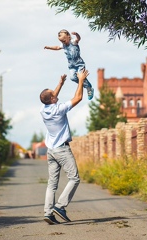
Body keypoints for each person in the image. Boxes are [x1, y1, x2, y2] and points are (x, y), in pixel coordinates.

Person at [39, 69, 89, 225]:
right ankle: (60, 206)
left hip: (51, 151)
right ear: (53, 99)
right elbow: (78, 97)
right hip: (61, 149)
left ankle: (48, 213)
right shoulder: (58, 110)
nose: (55, 93)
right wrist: (81, 80)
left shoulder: (43, 109)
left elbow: (51, 95)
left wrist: (61, 83)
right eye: (53, 93)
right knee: (74, 178)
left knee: (52, 183)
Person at [44, 30, 94, 100]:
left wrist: (77, 34)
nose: (63, 42)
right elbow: (57, 47)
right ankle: (86, 85)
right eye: (61, 41)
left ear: (69, 37)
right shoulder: (63, 45)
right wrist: (49, 47)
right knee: (73, 78)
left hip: (79, 64)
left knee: (80, 77)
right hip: (71, 66)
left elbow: (78, 39)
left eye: (64, 40)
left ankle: (89, 88)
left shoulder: (73, 42)